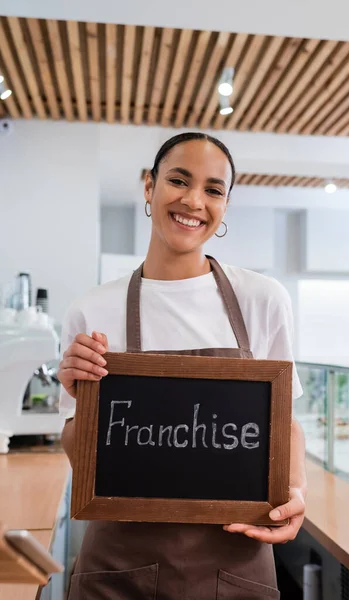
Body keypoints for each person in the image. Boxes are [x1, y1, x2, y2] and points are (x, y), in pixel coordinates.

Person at [58, 131, 307, 600]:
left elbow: (284, 424)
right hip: (117, 569)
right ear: (149, 187)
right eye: (178, 180)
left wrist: (296, 489)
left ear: (226, 205)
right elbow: (76, 449)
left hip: (235, 565)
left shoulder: (264, 300)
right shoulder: (93, 309)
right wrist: (80, 397)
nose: (194, 200)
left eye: (213, 189)